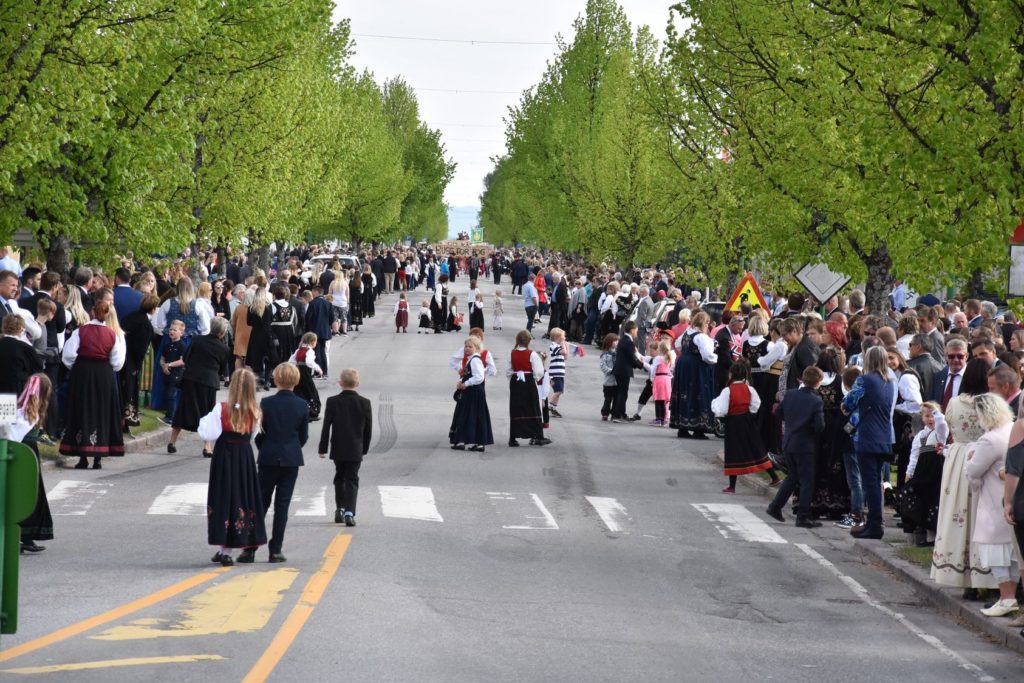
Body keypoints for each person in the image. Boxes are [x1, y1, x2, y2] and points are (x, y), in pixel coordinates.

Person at [931, 360, 997, 591]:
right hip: (984, 455)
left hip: (959, 458)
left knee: (958, 512)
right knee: (983, 516)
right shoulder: (991, 403)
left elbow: (947, 427)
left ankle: (962, 575)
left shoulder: (954, 402)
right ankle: (984, 576)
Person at [239, 363, 309, 564]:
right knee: (282, 506)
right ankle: (276, 549)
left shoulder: (267, 403)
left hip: (269, 456)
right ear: (296, 381)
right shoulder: (301, 405)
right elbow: (303, 436)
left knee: (260, 503)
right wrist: (293, 448)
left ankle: (249, 548)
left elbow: (260, 433)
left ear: (276, 379)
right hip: (290, 459)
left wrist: (265, 448)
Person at [198, 368, 267, 566]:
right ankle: (238, 543)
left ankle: (224, 549)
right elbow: (253, 436)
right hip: (243, 456)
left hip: (224, 456)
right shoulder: (255, 411)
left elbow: (207, 433)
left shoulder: (222, 409)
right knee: (242, 497)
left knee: (223, 497)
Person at [965, 394, 1018, 617]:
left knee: (994, 549)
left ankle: (1006, 598)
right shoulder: (1012, 429)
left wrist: (969, 456)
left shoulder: (989, 439)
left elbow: (973, 470)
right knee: (1012, 552)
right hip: (1013, 496)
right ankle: (1010, 597)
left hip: (993, 501)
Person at [60, 300, 125, 469]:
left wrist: (79, 367)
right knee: (102, 411)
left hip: (83, 372)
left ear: (93, 312)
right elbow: (117, 362)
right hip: (104, 374)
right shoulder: (112, 334)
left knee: (82, 408)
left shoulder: (80, 331)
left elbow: (68, 356)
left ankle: (83, 457)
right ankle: (98, 458)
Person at [840, 346, 896, 539]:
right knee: (878, 481)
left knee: (869, 481)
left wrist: (846, 407)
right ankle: (875, 521)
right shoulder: (890, 382)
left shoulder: (864, 380)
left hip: (867, 436)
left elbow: (849, 402)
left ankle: (874, 524)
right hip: (885, 436)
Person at [766, 366, 826, 527]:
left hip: (789, 440)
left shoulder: (791, 394)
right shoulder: (816, 400)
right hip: (805, 444)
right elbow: (820, 426)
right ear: (818, 383)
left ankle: (775, 506)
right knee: (807, 480)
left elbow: (779, 414)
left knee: (792, 476)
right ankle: (803, 515)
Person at [712, 359, 779, 493]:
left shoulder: (727, 390)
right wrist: (749, 412)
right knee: (756, 448)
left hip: (733, 423)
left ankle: (732, 486)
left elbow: (722, 410)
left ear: (731, 374)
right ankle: (774, 476)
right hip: (747, 420)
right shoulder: (750, 388)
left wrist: (715, 405)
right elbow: (756, 404)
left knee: (733, 451)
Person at [168, 317, 231, 457]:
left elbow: (186, 357)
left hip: (191, 378)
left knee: (183, 410)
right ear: (222, 332)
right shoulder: (224, 348)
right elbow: (222, 368)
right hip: (209, 382)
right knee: (207, 414)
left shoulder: (197, 340)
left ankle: (172, 442)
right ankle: (207, 447)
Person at [319, 368, 373, 527]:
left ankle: (339, 509)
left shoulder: (332, 401)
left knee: (339, 477)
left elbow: (326, 426)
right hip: (356, 447)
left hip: (338, 446)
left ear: (340, 383)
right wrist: (364, 448)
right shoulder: (365, 402)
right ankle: (350, 512)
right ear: (358, 383)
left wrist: (323, 447)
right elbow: (368, 429)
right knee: (352, 479)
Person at [14, 374, 54, 554]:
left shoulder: (17, 407)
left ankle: (22, 536)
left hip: (18, 453)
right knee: (29, 495)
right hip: (26, 456)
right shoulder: (32, 413)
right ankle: (26, 536)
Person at [901, 402, 949, 547]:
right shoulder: (920, 436)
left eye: (933, 415)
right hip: (922, 471)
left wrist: (937, 414)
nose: (931, 419)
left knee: (933, 500)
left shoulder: (940, 433)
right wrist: (909, 472)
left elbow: (942, 425)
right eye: (927, 416)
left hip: (936, 470)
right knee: (917, 497)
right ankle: (915, 531)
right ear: (922, 418)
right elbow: (914, 456)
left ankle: (931, 537)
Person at [670, 311, 717, 438]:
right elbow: (707, 356)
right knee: (698, 393)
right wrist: (715, 358)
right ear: (705, 323)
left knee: (685, 393)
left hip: (684, 365)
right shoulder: (701, 337)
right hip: (696, 368)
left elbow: (678, 345)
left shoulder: (687, 333)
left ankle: (683, 427)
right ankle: (698, 428)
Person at [449, 337, 495, 452]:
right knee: (471, 415)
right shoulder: (472, 359)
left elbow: (479, 377)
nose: (467, 349)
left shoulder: (475, 360)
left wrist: (466, 384)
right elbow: (470, 374)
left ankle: (467, 441)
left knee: (469, 414)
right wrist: (462, 381)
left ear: (477, 348)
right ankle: (472, 442)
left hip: (474, 391)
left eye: (470, 347)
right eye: (466, 346)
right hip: (472, 390)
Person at [507, 330, 549, 446]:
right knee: (533, 407)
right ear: (528, 341)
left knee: (516, 407)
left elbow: (509, 371)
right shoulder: (532, 354)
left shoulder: (512, 353)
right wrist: (534, 378)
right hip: (528, 381)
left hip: (516, 382)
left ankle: (513, 438)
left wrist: (514, 379)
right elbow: (539, 371)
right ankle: (538, 436)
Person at [611, 321, 646, 423]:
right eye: (636, 330)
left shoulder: (623, 340)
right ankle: (617, 416)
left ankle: (620, 413)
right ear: (632, 330)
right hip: (623, 370)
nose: (636, 332)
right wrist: (642, 365)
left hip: (619, 369)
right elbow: (631, 358)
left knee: (620, 393)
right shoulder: (628, 342)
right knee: (622, 393)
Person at [0, 314, 43, 395]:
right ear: (20, 328)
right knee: (9, 407)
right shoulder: (25, 348)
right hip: (16, 389)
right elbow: (37, 368)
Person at [289, 332, 323, 420]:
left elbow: (291, 361)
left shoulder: (298, 350)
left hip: (298, 371)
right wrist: (318, 369)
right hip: (305, 373)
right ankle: (312, 412)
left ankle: (301, 411)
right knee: (311, 392)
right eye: (316, 341)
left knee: (300, 391)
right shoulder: (310, 351)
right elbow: (309, 362)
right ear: (312, 341)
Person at [159, 320, 187, 425]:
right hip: (166, 373)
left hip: (176, 374)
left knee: (172, 395)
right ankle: (168, 414)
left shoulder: (182, 346)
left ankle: (171, 417)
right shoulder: (167, 345)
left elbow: (182, 361)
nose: (172, 332)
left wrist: (169, 365)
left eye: (175, 330)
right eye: (170, 329)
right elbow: (162, 358)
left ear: (181, 333)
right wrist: (163, 366)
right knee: (167, 394)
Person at [649, 339, 675, 427]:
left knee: (658, 400)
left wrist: (652, 379)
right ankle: (664, 419)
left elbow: (653, 369)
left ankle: (658, 419)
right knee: (664, 400)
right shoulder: (669, 357)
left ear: (660, 349)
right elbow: (671, 369)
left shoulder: (658, 358)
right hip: (667, 379)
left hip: (659, 378)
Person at [547, 328, 568, 417]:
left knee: (559, 392)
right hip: (555, 373)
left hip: (560, 372)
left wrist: (567, 346)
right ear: (557, 337)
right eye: (563, 337)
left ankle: (553, 408)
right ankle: (549, 406)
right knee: (558, 391)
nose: (564, 338)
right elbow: (563, 352)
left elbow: (566, 356)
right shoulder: (553, 345)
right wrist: (563, 344)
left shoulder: (559, 345)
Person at [598, 333, 618, 421]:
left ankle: (614, 413)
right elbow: (602, 366)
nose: (616, 342)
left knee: (616, 399)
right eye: (614, 341)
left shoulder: (618, 353)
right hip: (608, 381)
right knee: (608, 399)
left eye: (617, 340)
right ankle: (605, 413)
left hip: (617, 380)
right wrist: (611, 371)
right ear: (609, 342)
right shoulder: (605, 354)